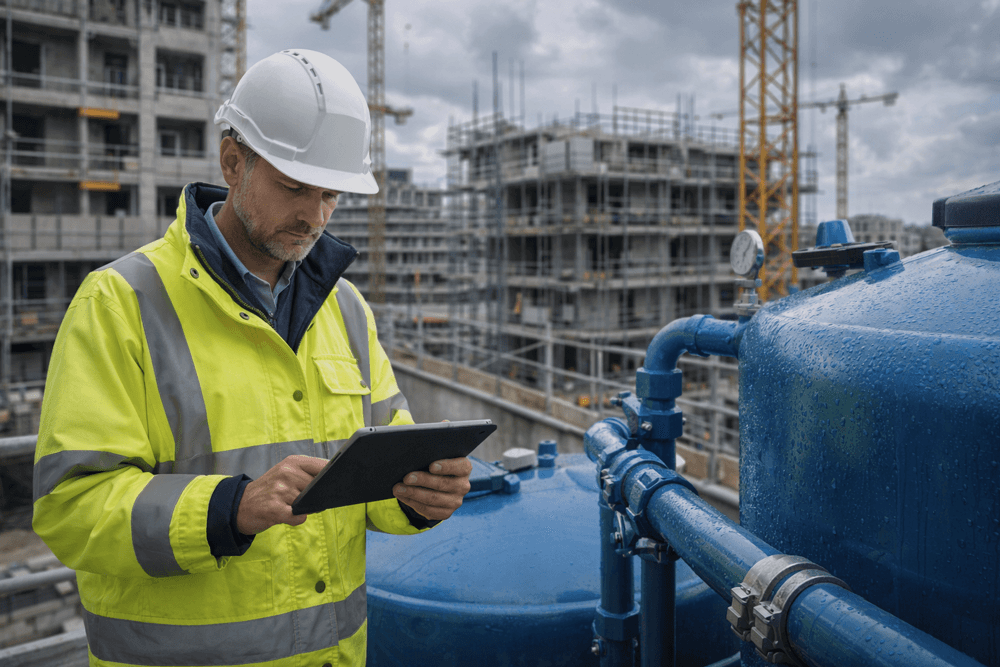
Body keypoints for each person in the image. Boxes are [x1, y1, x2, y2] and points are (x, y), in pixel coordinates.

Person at [32, 49, 472, 667]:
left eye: (332, 195)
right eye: (294, 187)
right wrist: (226, 510)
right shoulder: (119, 304)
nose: (315, 216)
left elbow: (373, 470)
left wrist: (415, 495)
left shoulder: (346, 310)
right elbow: (70, 508)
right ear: (233, 161)